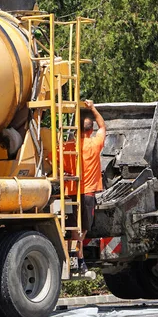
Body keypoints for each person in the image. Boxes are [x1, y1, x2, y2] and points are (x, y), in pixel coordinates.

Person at [64, 99, 106, 274]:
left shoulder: (68, 147)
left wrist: (64, 172)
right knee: (82, 230)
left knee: (75, 229)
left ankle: (75, 260)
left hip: (72, 193)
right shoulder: (95, 144)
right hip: (88, 193)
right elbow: (102, 126)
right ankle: (79, 262)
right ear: (90, 130)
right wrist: (92, 108)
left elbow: (51, 157)